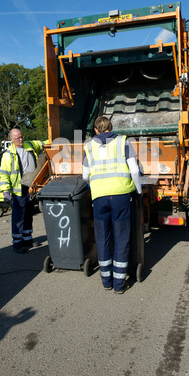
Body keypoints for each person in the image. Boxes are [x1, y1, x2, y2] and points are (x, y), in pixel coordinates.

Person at [82, 116, 142, 294]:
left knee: (102, 238)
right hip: (121, 196)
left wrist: (96, 184)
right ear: (111, 127)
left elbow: (85, 176)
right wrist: (138, 190)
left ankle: (106, 281)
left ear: (96, 130)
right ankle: (119, 284)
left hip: (99, 197)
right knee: (121, 238)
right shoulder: (122, 141)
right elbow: (134, 170)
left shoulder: (89, 146)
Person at [0, 129, 48, 254]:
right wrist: (6, 192)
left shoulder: (29, 145)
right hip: (19, 189)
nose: (21, 139)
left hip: (30, 186)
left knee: (29, 212)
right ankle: (17, 242)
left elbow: (43, 143)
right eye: (17, 138)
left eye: (21, 137)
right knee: (18, 216)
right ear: (11, 140)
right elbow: (3, 175)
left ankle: (28, 238)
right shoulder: (8, 155)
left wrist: (56, 137)